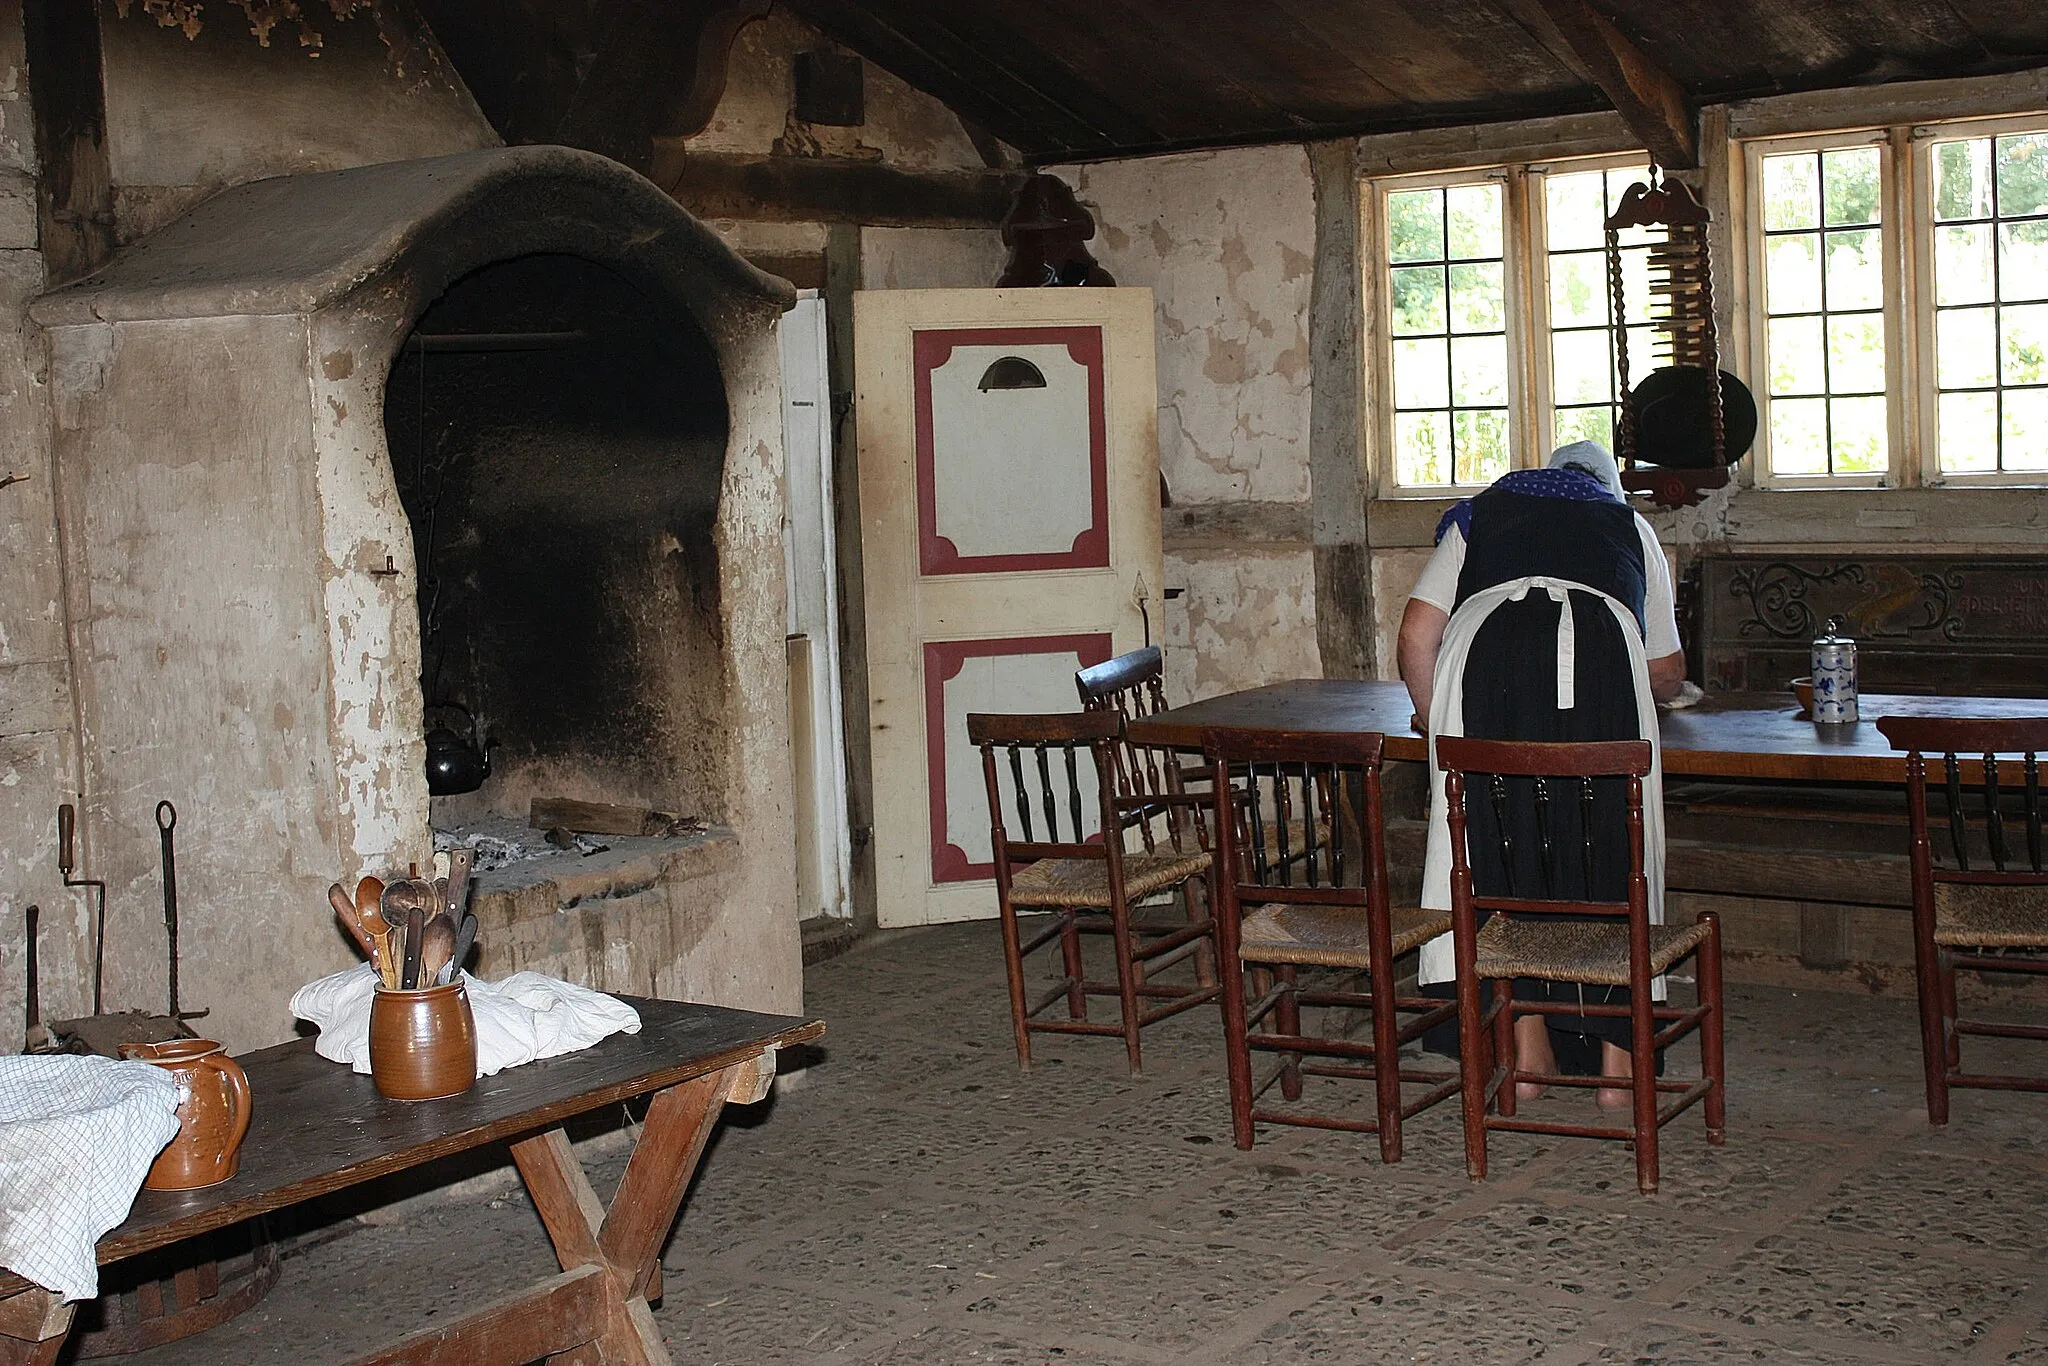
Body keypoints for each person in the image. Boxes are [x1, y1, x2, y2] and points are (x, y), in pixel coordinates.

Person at [1397, 440, 1686, 1108]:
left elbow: (1417, 634)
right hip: (1604, 669)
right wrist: (1641, 688)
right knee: (1615, 845)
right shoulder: (1626, 524)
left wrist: (1435, 720)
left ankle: (1527, 1056)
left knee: (1500, 844)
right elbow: (1667, 671)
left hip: (1485, 671)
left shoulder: (1483, 513)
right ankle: (1619, 1068)